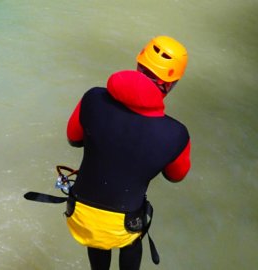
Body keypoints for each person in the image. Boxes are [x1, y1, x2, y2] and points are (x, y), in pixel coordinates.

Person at [65, 35, 191, 270]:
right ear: (170, 84)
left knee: (100, 237)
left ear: (139, 65)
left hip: (80, 214)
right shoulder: (176, 134)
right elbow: (176, 175)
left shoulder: (93, 98)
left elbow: (74, 138)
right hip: (125, 222)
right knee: (133, 234)